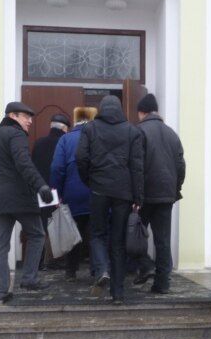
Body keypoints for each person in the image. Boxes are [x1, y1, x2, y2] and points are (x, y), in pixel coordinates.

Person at [76, 95, 144, 304]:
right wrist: (138, 195)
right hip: (123, 192)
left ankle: (102, 269)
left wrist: (89, 180)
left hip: (98, 189)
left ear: (101, 109)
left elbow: (81, 157)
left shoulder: (90, 129)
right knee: (118, 242)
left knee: (97, 234)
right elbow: (137, 166)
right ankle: (118, 294)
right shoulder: (132, 131)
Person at [0, 101, 54, 304]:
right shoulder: (16, 135)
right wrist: (41, 186)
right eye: (26, 116)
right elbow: (24, 163)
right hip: (19, 198)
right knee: (37, 234)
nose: (30, 121)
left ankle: (0, 291)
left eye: (30, 117)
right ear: (13, 116)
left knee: (1, 245)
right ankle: (29, 278)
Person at [130, 93, 185, 295]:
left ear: (141, 112)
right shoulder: (172, 134)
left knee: (133, 235)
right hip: (166, 196)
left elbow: (136, 166)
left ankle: (145, 265)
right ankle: (162, 284)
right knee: (162, 240)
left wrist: (136, 195)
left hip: (144, 195)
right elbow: (181, 166)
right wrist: (175, 189)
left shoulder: (139, 131)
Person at [50, 106, 97, 281]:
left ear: (75, 121)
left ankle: (71, 271)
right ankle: (97, 270)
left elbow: (57, 168)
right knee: (96, 234)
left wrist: (56, 193)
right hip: (95, 193)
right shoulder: (97, 138)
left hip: (72, 194)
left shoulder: (65, 139)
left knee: (71, 231)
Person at [32, 112, 71, 270]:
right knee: (58, 224)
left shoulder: (39, 143)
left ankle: (38, 261)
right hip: (58, 189)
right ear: (64, 128)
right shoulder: (64, 142)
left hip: (41, 189)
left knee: (41, 225)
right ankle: (56, 260)